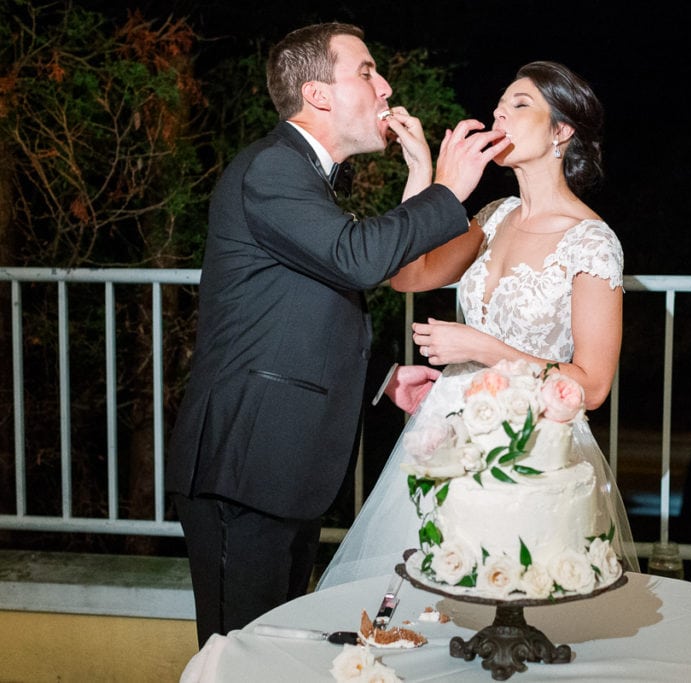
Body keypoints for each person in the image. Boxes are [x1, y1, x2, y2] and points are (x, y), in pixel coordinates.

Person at [165, 22, 510, 647]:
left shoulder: (304, 174)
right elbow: (356, 258)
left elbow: (301, 304)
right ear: (318, 95)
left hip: (279, 467)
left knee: (276, 652)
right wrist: (446, 190)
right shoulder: (272, 167)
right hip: (244, 464)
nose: (384, 86)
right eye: (366, 71)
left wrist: (383, 377)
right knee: (238, 656)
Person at [317, 60, 638, 590]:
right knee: (422, 595)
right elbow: (408, 276)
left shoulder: (592, 242)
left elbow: (594, 386)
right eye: (498, 105)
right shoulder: (492, 216)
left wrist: (481, 347)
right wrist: (422, 170)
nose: (498, 114)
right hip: (450, 429)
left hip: (533, 443)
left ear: (562, 130)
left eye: (520, 105)